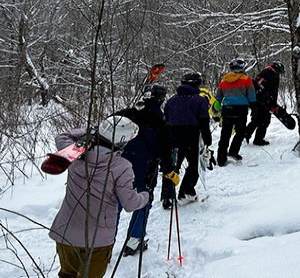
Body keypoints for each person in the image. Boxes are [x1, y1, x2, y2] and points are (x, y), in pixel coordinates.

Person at [49, 116, 149, 278]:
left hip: (65, 233)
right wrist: (145, 195)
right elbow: (130, 204)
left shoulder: (73, 153)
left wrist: (91, 131)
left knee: (67, 275)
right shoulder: (122, 167)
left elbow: (62, 136)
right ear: (122, 142)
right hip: (98, 241)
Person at [115, 84, 177, 255]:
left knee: (115, 203)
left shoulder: (126, 113)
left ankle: (105, 245)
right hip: (145, 170)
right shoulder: (161, 121)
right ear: (160, 99)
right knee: (142, 202)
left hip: (120, 167)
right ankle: (134, 241)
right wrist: (169, 171)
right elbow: (166, 151)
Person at [164, 71, 212, 202]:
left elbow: (166, 119)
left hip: (173, 135)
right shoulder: (200, 100)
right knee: (194, 164)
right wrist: (207, 139)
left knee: (173, 165)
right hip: (192, 135)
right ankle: (187, 190)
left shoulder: (171, 100)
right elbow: (204, 121)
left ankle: (167, 196)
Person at [216, 59, 256, 166]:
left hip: (227, 109)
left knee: (225, 133)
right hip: (240, 110)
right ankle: (233, 152)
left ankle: (221, 158)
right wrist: (254, 107)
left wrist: (216, 108)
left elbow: (218, 97)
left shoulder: (224, 80)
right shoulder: (246, 79)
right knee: (240, 132)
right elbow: (252, 96)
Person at [245, 61, 285, 146]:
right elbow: (274, 92)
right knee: (265, 120)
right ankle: (258, 140)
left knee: (256, 119)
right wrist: (273, 105)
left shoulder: (264, 72)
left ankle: (246, 133)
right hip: (265, 101)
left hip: (256, 99)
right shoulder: (274, 76)